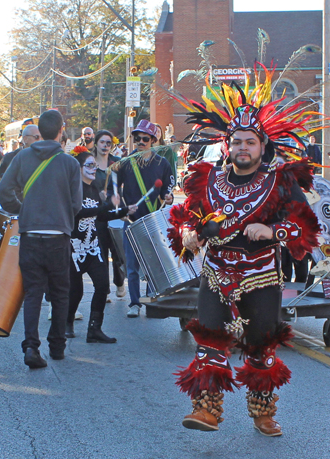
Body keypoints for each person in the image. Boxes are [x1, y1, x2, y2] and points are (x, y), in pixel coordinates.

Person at [166, 67, 321, 436]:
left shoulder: (280, 182)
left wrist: (273, 229)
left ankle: (262, 412)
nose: (242, 148)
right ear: (227, 145)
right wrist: (188, 233)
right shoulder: (208, 180)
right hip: (217, 275)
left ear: (262, 146)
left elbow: (308, 226)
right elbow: (186, 218)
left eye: (250, 142)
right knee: (208, 341)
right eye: (236, 142)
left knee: (261, 345)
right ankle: (206, 410)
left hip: (262, 278)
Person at [0, 110, 82, 369]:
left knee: (33, 292)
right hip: (58, 237)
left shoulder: (23, 157)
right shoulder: (70, 163)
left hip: (31, 234)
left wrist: (22, 209)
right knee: (60, 293)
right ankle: (57, 346)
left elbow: (4, 190)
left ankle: (31, 347)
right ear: (60, 131)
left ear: (39, 131)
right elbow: (76, 204)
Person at [67, 148, 137, 342]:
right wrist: (105, 206)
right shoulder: (73, 190)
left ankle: (94, 329)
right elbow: (78, 212)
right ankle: (67, 322)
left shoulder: (96, 189)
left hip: (94, 247)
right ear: (79, 168)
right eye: (89, 165)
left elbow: (102, 215)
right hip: (74, 247)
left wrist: (123, 209)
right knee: (76, 291)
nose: (93, 168)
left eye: (95, 165)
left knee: (102, 286)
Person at [108, 119, 175, 318]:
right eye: (137, 138)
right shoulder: (125, 163)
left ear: (153, 140)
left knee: (153, 263)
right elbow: (114, 188)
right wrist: (117, 201)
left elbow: (167, 192)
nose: (141, 142)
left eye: (145, 138)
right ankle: (135, 303)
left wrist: (169, 197)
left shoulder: (162, 163)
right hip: (131, 221)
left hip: (153, 221)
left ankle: (151, 300)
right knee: (132, 265)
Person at [92, 130, 126, 299]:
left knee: (117, 251)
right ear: (96, 144)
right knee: (101, 253)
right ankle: (104, 289)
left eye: (108, 143)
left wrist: (119, 196)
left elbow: (126, 182)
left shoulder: (117, 163)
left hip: (114, 211)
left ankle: (119, 282)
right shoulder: (90, 164)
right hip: (98, 213)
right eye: (102, 142)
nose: (105, 146)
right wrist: (97, 195)